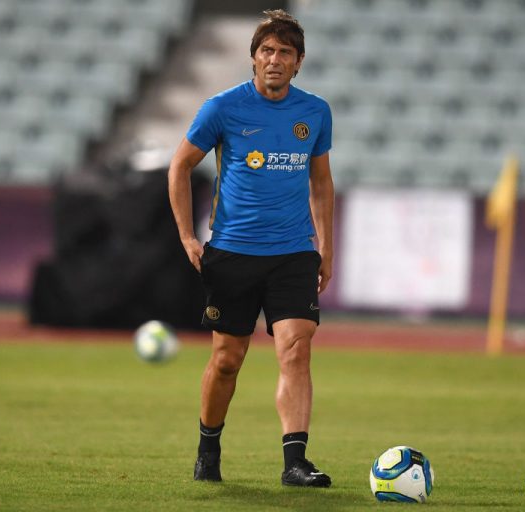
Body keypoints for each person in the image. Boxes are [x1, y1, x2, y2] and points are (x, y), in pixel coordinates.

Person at [167, 9, 334, 488]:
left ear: (299, 62)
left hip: (293, 253)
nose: (274, 59)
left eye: (285, 52)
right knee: (227, 361)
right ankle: (208, 449)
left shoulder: (315, 112)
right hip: (233, 252)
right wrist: (187, 236)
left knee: (296, 350)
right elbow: (180, 167)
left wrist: (326, 247)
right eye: (266, 51)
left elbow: (321, 183)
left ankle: (295, 463)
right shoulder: (222, 108)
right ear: (254, 58)